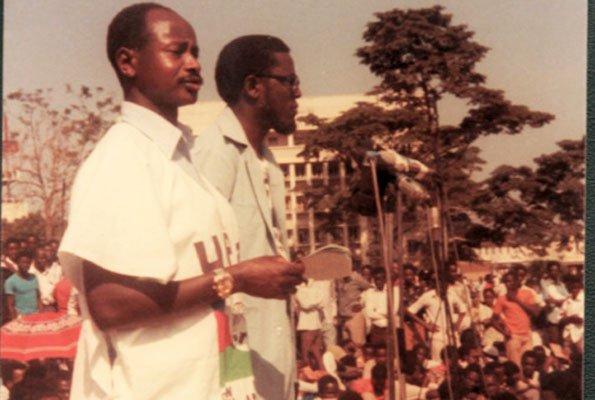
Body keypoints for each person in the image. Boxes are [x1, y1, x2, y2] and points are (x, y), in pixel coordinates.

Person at [58, 4, 303, 399]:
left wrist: (240, 386)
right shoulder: (123, 157)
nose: (193, 65)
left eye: (197, 52)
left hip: (216, 381)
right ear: (128, 62)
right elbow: (110, 304)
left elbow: (222, 310)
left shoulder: (181, 156)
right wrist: (236, 277)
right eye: (178, 51)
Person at [192, 34, 302, 399]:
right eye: (289, 81)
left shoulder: (268, 161)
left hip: (273, 352)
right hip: (234, 358)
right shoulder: (214, 154)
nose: (298, 92)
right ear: (254, 86)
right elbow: (198, 271)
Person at [492, 271, 540, 367]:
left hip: (527, 335)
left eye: (511, 281)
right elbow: (493, 320)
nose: (508, 283)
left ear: (517, 281)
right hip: (513, 337)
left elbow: (536, 312)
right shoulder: (502, 299)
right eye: (506, 281)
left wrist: (516, 300)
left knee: (528, 365)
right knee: (515, 366)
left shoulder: (527, 293)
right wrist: (503, 332)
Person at [4, 250, 40, 319]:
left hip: (36, 315)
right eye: (23, 262)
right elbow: (10, 305)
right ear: (17, 263)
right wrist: (14, 321)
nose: (26, 265)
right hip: (21, 317)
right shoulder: (10, 281)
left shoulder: (34, 277)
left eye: (28, 263)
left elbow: (38, 297)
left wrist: (40, 313)